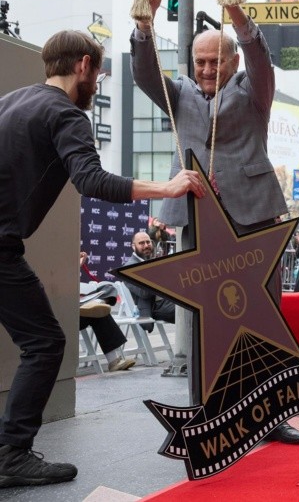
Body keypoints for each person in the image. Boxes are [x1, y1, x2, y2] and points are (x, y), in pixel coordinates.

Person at [0, 29, 205, 486]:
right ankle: (12, 453)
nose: (100, 79)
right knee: (46, 343)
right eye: (100, 69)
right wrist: (167, 187)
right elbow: (92, 181)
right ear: (84, 67)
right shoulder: (67, 114)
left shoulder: (11, 102)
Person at [130, 0, 299, 444]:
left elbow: (261, 59)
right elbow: (145, 75)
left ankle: (271, 414)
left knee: (263, 315)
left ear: (231, 61)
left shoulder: (253, 91)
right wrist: (144, 24)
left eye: (215, 61)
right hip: (196, 219)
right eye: (200, 62)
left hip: (253, 216)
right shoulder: (179, 94)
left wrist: (240, 17)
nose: (207, 69)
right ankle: (207, 411)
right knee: (206, 318)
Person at [78, 252, 135, 372]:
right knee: (98, 313)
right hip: (65, 314)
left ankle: (97, 302)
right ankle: (113, 361)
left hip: (81, 308)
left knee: (108, 288)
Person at [124, 232, 176, 324]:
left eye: (148, 242)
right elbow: (144, 293)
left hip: (168, 300)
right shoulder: (129, 268)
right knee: (191, 310)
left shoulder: (152, 262)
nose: (146, 245)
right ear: (133, 246)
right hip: (154, 307)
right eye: (141, 243)